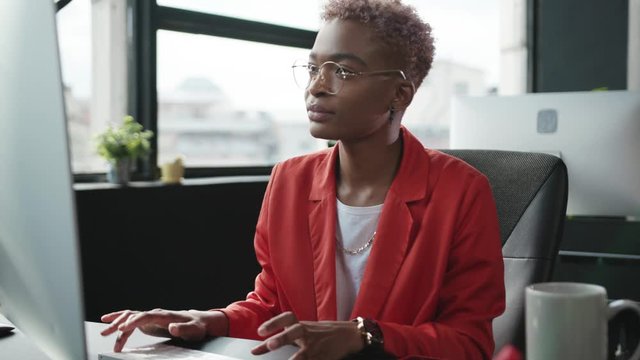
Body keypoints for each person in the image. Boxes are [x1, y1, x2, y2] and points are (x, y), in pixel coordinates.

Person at [100, 0, 505, 358]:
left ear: (399, 94)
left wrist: (366, 337)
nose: (317, 86)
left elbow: (468, 344)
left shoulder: (462, 191)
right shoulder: (289, 181)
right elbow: (272, 306)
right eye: (313, 68)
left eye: (343, 72)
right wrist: (208, 320)